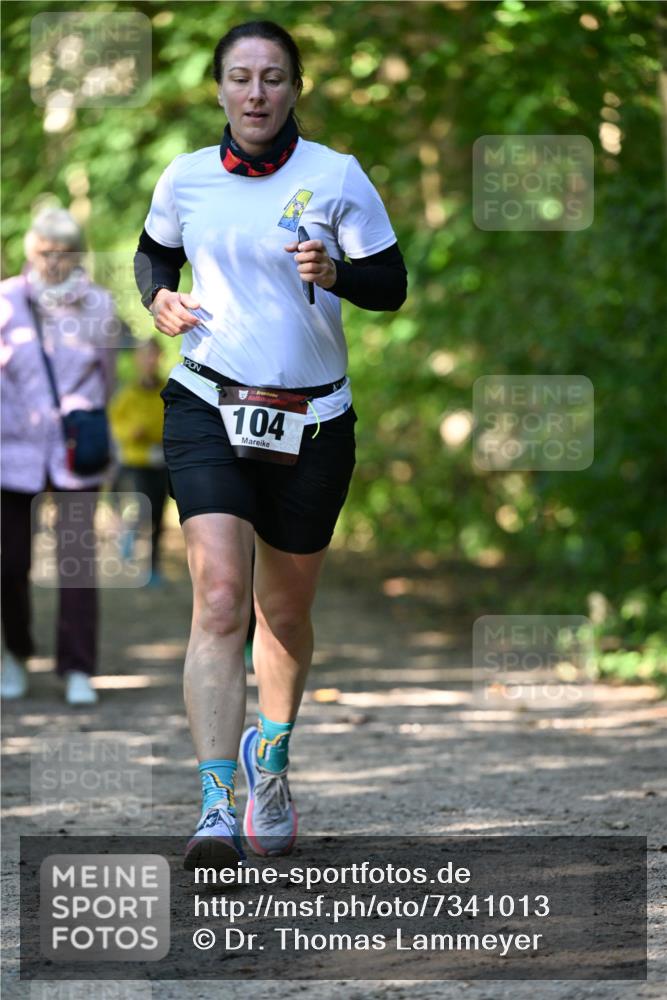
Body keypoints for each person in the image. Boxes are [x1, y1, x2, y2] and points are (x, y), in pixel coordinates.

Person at [133, 19, 407, 868]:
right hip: (207, 399)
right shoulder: (185, 178)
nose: (256, 94)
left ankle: (271, 764)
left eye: (273, 78)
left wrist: (336, 273)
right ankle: (215, 805)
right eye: (241, 78)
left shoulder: (337, 176)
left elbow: (391, 285)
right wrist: (160, 303)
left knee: (280, 614)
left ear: (294, 89)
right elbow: (151, 256)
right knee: (219, 598)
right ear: (218, 89)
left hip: (312, 417)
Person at [0, 207, 118, 706]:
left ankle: (77, 667)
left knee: (76, 565)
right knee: (7, 563)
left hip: (74, 453)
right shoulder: (5, 301)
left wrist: (85, 416)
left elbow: (108, 376)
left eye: (64, 251)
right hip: (11, 450)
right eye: (45, 251)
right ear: (31, 249)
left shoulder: (100, 305)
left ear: (77, 253)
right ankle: (14, 652)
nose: (53, 260)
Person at [109, 337, 169, 583]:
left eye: (153, 355)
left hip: (161, 462)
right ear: (137, 359)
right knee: (141, 509)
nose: (149, 360)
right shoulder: (127, 393)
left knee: (158, 517)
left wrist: (154, 433)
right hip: (134, 462)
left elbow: (171, 421)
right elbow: (115, 424)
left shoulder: (166, 390)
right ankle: (129, 536)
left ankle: (154, 567)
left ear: (160, 358)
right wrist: (131, 432)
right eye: (145, 355)